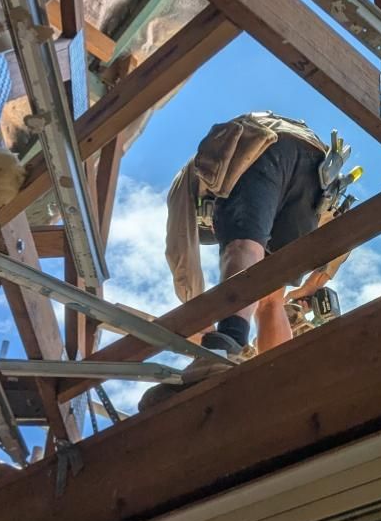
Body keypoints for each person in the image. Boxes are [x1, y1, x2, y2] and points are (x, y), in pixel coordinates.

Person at [144, 112, 355, 410]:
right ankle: (279, 382)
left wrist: (201, 320)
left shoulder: (190, 180)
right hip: (316, 171)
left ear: (211, 222)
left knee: (244, 246)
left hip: (263, 146)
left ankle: (226, 346)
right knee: (272, 297)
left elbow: (181, 253)